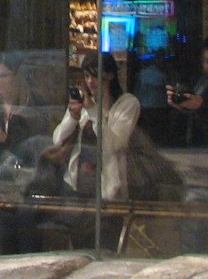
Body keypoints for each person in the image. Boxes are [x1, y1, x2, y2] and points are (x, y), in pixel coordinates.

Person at [49, 52, 141, 200]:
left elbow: (114, 144)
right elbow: (58, 139)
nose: (90, 81)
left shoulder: (128, 104)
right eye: (86, 76)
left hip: (108, 186)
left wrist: (92, 110)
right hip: (77, 180)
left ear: (110, 75)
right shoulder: (85, 100)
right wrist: (73, 116)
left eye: (96, 75)